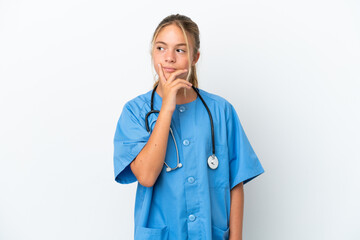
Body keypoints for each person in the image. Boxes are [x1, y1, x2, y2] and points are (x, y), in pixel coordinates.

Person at [113, 14, 264, 240]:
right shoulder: (135, 112)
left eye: (180, 50)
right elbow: (146, 176)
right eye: (161, 48)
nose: (169, 58)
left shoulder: (221, 111)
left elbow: (236, 183)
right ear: (152, 53)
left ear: (195, 57)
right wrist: (166, 109)